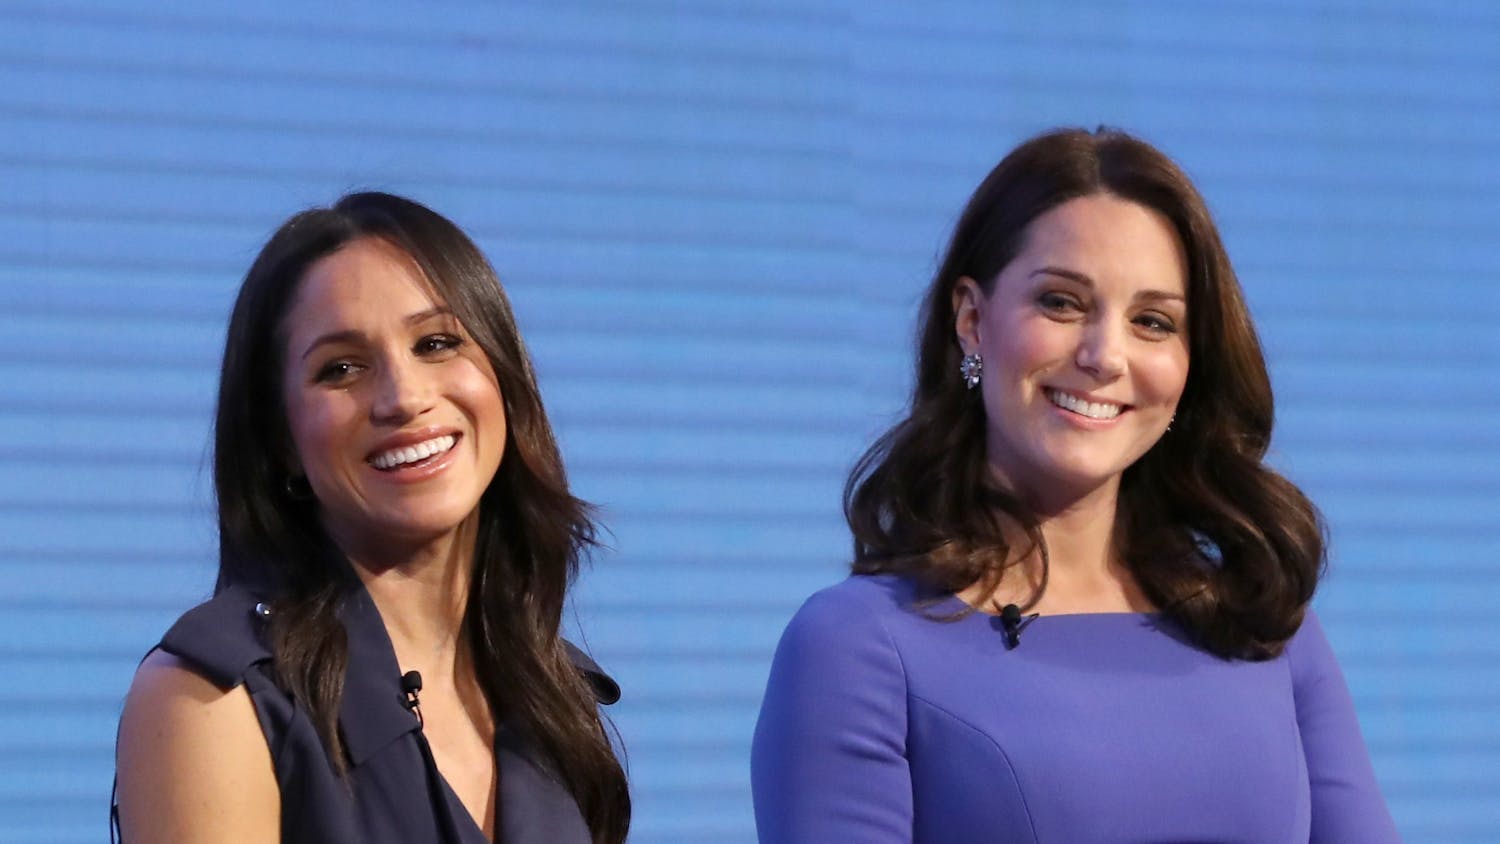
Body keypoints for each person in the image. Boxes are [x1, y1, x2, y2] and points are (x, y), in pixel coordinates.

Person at [751, 128, 1400, 842]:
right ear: (972, 321)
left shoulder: (1264, 628)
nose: (1104, 356)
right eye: (1061, 303)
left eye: (1152, 322)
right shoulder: (859, 646)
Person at [113, 192, 629, 844]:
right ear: (280, 439)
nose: (405, 398)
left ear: (504, 379)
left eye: (437, 342)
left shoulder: (555, 695)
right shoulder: (213, 698)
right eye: (342, 368)